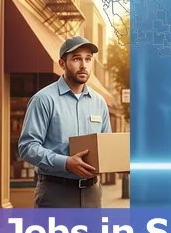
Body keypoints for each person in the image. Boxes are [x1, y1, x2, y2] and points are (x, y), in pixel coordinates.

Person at [18, 36, 112, 208]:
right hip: (55, 193)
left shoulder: (99, 102)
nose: (83, 65)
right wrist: (66, 162)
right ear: (62, 64)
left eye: (88, 59)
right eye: (77, 59)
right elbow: (27, 147)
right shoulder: (43, 99)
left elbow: (106, 145)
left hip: (92, 195)